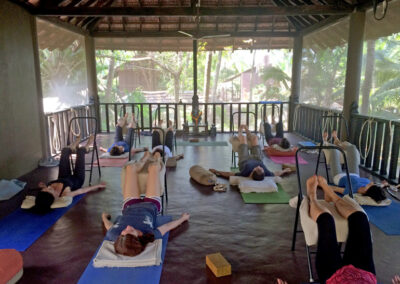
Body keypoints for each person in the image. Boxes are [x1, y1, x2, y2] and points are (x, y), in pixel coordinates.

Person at [278, 175, 377, 284]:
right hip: (364, 275)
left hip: (333, 277)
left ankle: (312, 197)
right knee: (360, 218)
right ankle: (332, 195)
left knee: (326, 220)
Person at [102, 151, 190, 257]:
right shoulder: (150, 234)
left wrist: (104, 217)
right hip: (151, 205)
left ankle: (145, 158)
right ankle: (157, 156)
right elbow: (167, 227)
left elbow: (109, 226)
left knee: (130, 168)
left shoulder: (114, 234)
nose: (128, 227)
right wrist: (183, 219)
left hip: (130, 205)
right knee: (154, 167)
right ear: (139, 236)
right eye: (130, 230)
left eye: (124, 231)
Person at [32, 135, 106, 214]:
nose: (48, 187)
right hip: (77, 179)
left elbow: (43, 190)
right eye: (49, 190)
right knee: (81, 151)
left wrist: (42, 186)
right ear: (54, 197)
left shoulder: (45, 191)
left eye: (44, 189)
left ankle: (73, 146)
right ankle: (88, 145)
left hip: (63, 176)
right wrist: (98, 186)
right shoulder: (65, 194)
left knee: (64, 150)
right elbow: (81, 191)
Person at [323, 130, 387, 203]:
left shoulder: (351, 189)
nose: (372, 183)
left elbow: (332, 188)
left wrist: (321, 183)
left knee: (335, 150)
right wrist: (383, 184)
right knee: (352, 147)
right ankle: (337, 141)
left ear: (367, 191)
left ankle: (325, 142)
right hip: (355, 175)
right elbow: (378, 187)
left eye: (371, 185)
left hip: (339, 177)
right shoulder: (369, 187)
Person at [210, 125, 292, 180]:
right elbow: (276, 173)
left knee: (243, 139)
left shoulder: (245, 173)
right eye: (261, 169)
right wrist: (285, 171)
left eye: (258, 169)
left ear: (253, 172)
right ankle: (246, 129)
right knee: (255, 138)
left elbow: (229, 174)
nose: (260, 168)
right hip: (258, 158)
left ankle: (240, 130)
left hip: (244, 160)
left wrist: (217, 171)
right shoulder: (266, 172)